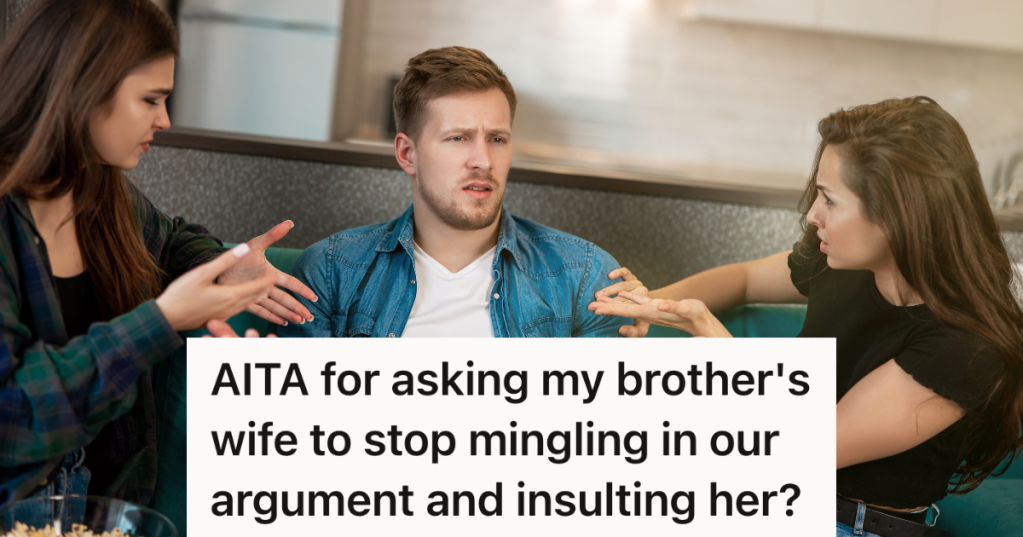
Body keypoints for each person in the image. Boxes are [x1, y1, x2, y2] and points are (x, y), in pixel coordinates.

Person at [589, 97, 1023, 536]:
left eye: (830, 200)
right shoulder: (840, 265)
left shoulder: (965, 349)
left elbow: (796, 445)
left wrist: (715, 343)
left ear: (897, 216)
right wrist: (650, 305)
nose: (813, 214)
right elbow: (742, 279)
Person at [0, 0, 317, 508]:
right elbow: (12, 417)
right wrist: (162, 321)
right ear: (83, 87)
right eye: (151, 99)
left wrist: (222, 263)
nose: (165, 120)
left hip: (101, 506)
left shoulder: (99, 190)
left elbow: (168, 239)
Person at [279, 46, 629, 339]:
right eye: (457, 138)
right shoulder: (330, 273)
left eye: (497, 139)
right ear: (407, 154)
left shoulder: (585, 278)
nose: (483, 161)